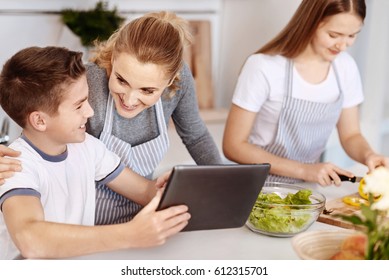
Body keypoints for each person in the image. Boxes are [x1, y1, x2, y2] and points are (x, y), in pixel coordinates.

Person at [0, 11, 222, 225]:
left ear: (172, 78)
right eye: (121, 80)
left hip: (141, 217)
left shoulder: (93, 150)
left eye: (147, 90)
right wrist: (17, 160)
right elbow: (43, 129)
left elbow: (195, 137)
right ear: (113, 58)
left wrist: (224, 184)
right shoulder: (88, 84)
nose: (130, 99)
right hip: (85, 225)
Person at [0, 46, 190, 260]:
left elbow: (144, 191)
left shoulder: (87, 147)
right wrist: (129, 235)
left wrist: (168, 188)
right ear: (40, 120)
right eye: (79, 106)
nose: (90, 112)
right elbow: (31, 240)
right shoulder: (15, 165)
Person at [223, 0, 389, 187]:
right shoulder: (263, 66)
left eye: (352, 35)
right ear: (311, 22)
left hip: (308, 189)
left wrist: (369, 155)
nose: (343, 46)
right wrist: (304, 169)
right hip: (257, 188)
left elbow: (351, 135)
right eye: (334, 35)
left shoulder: (346, 67)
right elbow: (233, 146)